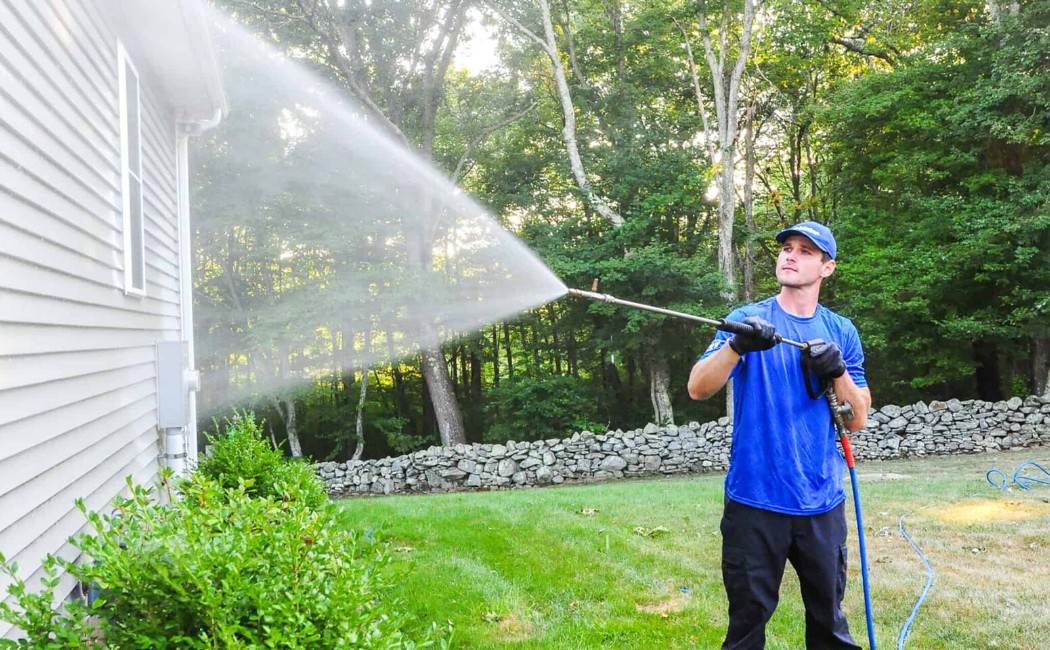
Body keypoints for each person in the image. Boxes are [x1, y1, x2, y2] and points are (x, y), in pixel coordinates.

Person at [687, 221, 872, 650]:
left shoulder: (841, 331)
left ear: (828, 268)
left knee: (829, 623)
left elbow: (857, 418)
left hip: (821, 500)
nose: (790, 255)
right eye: (787, 247)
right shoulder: (745, 321)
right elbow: (698, 387)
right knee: (746, 626)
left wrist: (837, 370)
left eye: (806, 251)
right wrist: (737, 346)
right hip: (753, 500)